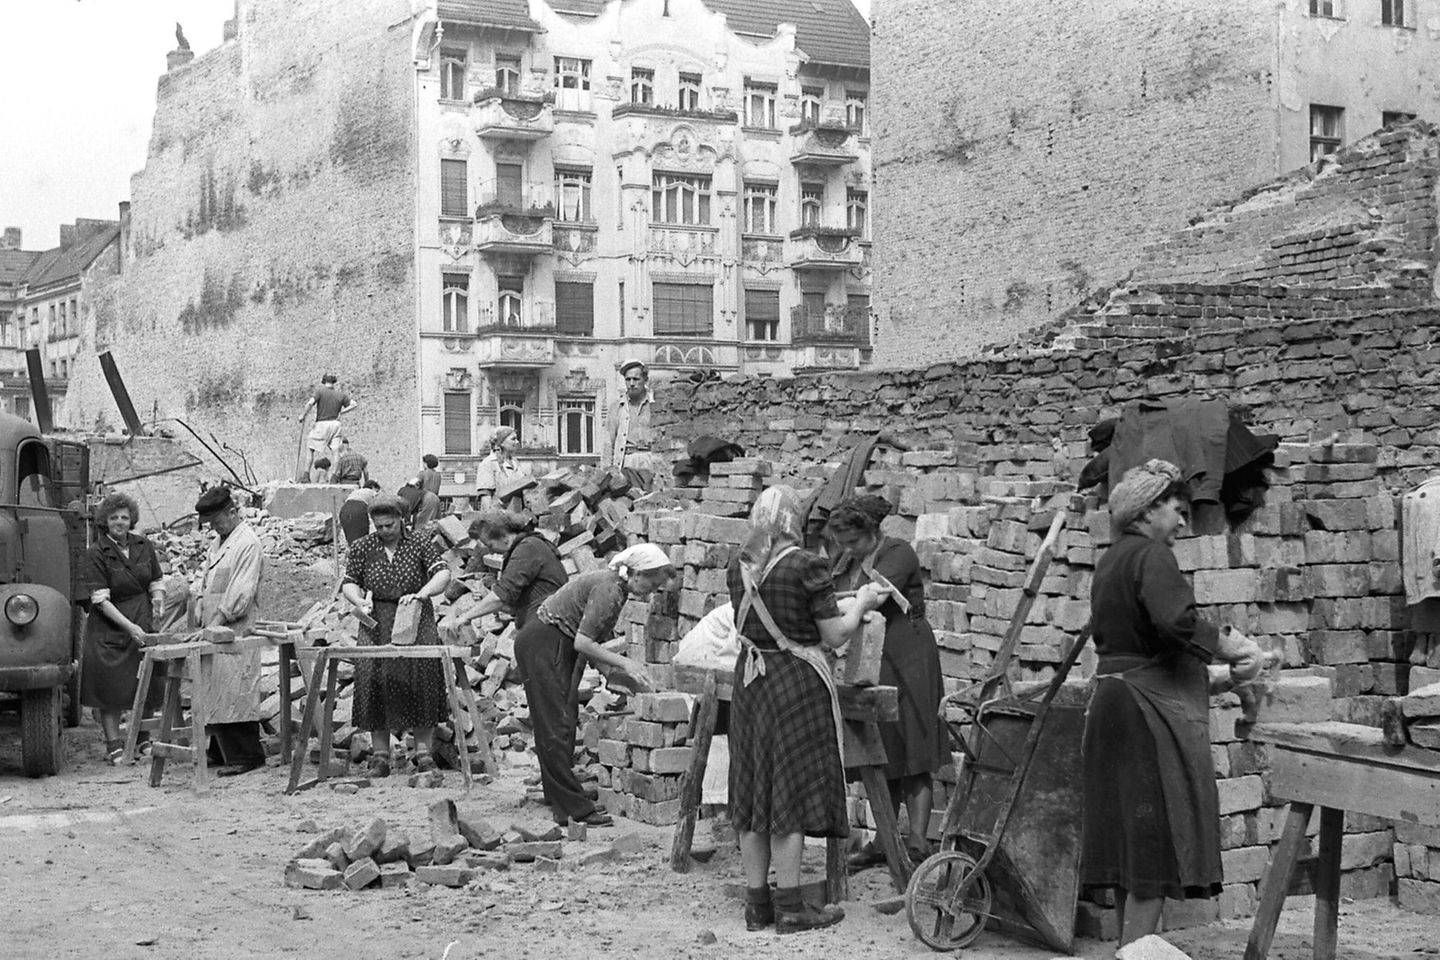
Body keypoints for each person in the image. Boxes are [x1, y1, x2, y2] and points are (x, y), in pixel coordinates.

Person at [1083, 459, 1264, 948]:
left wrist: (1227, 677)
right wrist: (1232, 644)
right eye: (1177, 510)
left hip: (1115, 704)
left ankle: (1128, 950)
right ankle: (1137, 955)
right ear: (1146, 512)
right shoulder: (1151, 555)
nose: (1184, 523)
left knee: (1130, 851)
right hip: (1145, 718)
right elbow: (1175, 624)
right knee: (1152, 851)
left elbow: (1152, 655)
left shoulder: (1112, 559)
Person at [727, 486, 883, 935]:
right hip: (793, 683)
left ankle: (757, 904)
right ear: (793, 521)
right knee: (787, 796)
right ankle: (792, 907)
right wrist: (862, 605)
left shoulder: (738, 567)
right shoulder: (806, 564)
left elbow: (760, 616)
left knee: (753, 793)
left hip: (750, 683)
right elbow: (834, 636)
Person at [826, 495, 946, 868]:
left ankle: (917, 842)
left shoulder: (898, 553)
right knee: (884, 746)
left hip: (908, 653)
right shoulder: (850, 559)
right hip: (875, 654)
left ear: (871, 532)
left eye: (853, 541)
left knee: (914, 745)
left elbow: (872, 599)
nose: (847, 548)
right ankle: (884, 839)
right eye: (842, 542)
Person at [516, 543, 674, 826]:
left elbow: (588, 642)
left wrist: (610, 674)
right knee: (555, 725)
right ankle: (574, 809)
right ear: (636, 573)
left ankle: (560, 798)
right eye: (652, 583)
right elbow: (583, 642)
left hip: (555, 644)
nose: (652, 592)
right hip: (544, 643)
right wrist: (626, 664)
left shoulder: (616, 588)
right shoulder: (609, 588)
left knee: (563, 722)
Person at [341, 494, 453, 778]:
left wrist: (422, 593)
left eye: (389, 525)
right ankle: (380, 755)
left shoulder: (419, 542)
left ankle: (423, 751)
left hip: (414, 615)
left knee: (422, 676)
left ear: (401, 520)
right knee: (374, 680)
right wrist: (359, 601)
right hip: (376, 619)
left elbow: (442, 574)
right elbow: (350, 582)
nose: (383, 531)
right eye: (378, 526)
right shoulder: (362, 547)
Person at [79, 493, 168, 765]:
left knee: (147, 681)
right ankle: (114, 745)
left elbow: (156, 578)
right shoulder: (96, 553)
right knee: (113, 688)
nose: (120, 522)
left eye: (124, 517)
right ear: (105, 521)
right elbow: (100, 601)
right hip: (111, 626)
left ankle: (143, 741)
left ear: (132, 520)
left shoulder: (143, 545)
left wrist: (158, 598)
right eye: (114, 517)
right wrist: (130, 627)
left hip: (142, 620)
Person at [192, 486, 268, 776]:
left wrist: (219, 619)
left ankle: (248, 755)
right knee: (217, 688)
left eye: (218, 521)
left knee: (237, 689)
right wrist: (200, 603)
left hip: (234, 626)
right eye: (210, 523)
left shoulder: (247, 543)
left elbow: (242, 591)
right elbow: (208, 575)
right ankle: (220, 751)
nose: (214, 527)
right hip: (213, 622)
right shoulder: (219, 541)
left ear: (233, 512)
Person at [440, 510, 566, 641]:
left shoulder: (528, 548)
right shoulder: (524, 549)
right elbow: (513, 607)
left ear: (504, 537)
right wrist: (486, 596)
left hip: (549, 631)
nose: (489, 550)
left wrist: (465, 617)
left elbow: (501, 596)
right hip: (542, 628)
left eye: (490, 544)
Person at [601, 359, 659, 487]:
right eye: (628, 380)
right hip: (626, 460)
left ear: (645, 380)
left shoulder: (656, 404)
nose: (631, 383)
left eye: (636, 379)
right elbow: (608, 441)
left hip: (651, 459)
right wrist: (607, 470)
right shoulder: (617, 407)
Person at [299, 373, 358, 470]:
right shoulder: (340, 395)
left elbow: (310, 403)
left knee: (310, 448)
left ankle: (306, 474)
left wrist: (303, 415)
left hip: (322, 423)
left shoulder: (320, 392)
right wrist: (342, 412)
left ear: (323, 381)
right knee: (335, 451)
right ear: (334, 382)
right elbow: (354, 404)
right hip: (335, 424)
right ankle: (334, 476)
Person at [474, 427, 525, 510]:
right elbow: (485, 497)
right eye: (513, 439)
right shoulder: (488, 464)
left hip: (517, 516)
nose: (517, 442)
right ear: (502, 443)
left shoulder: (516, 463)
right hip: (499, 517)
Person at [339, 479, 381, 544]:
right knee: (362, 538)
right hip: (358, 509)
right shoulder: (371, 492)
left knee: (351, 537)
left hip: (344, 510)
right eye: (377, 490)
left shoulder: (356, 492)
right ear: (373, 487)